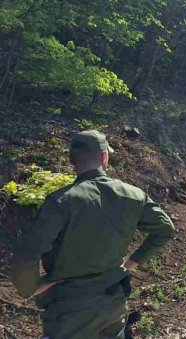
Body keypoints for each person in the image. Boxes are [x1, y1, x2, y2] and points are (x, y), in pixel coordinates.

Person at [11, 130, 175, 339]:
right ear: (104, 157)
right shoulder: (133, 195)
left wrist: (30, 288)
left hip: (70, 308)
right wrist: (131, 263)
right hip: (113, 302)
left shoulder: (61, 202)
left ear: (71, 160)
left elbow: (26, 254)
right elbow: (165, 230)